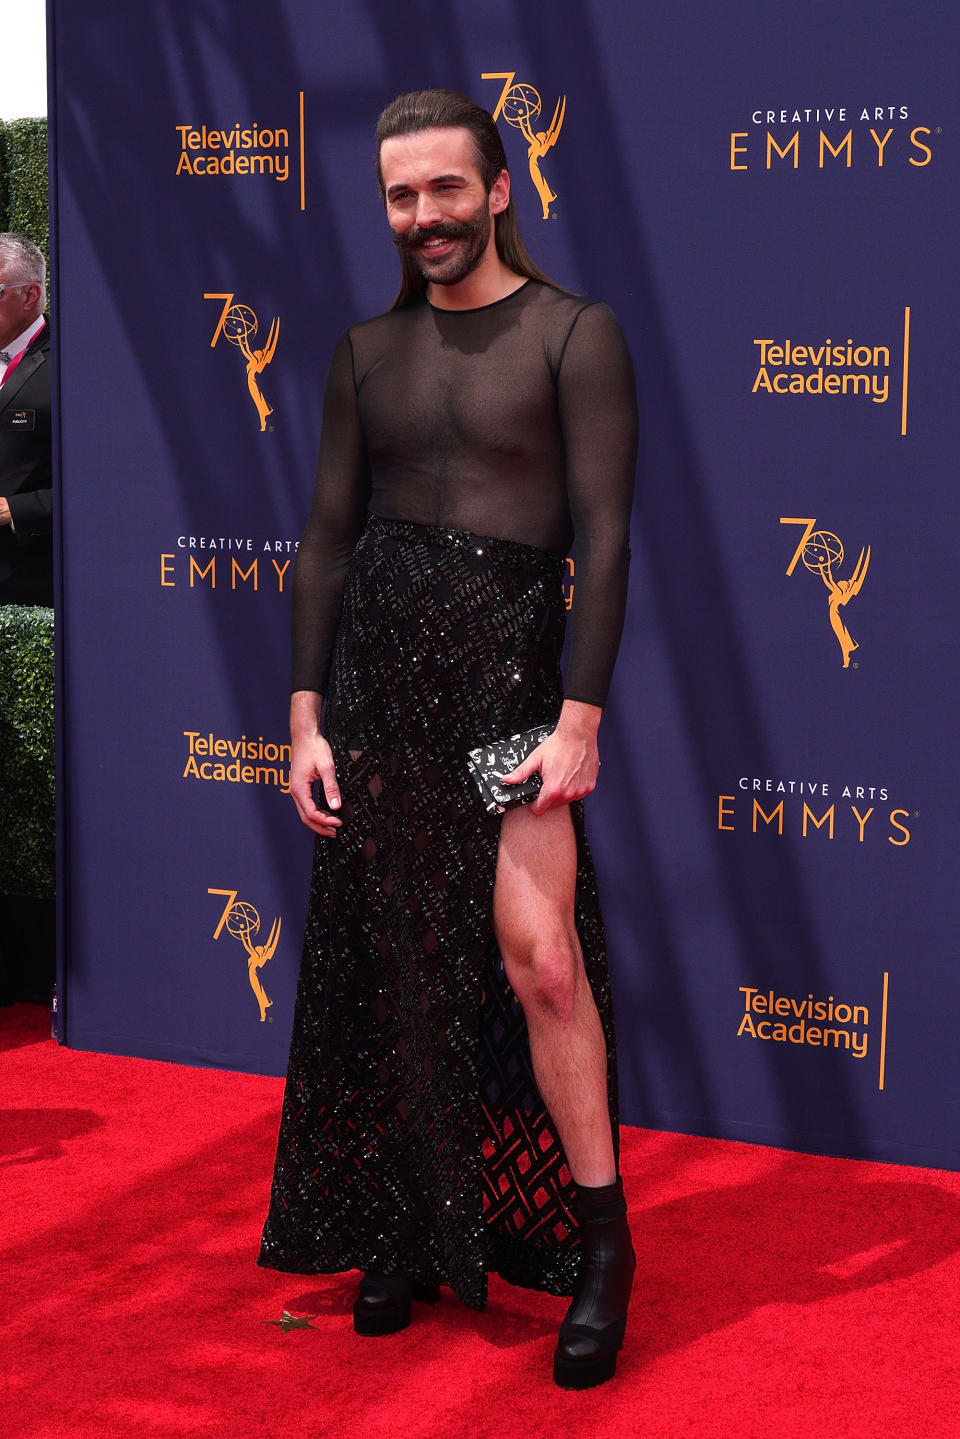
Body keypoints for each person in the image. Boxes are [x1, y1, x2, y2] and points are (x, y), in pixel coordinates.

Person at [259, 89, 639, 1390]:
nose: (423, 215)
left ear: (497, 190)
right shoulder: (366, 351)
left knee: (539, 963)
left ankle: (603, 1244)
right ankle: (407, 1219)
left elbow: (606, 535)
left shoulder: (573, 334)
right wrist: (307, 715)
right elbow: (324, 541)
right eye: (400, 196)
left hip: (513, 696)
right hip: (378, 694)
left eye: (443, 189)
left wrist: (579, 719)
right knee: (399, 967)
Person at [0, 234, 52, 607]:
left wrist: (15, 510)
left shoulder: (75, 362)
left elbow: (108, 482)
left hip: (27, 585)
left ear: (29, 296)